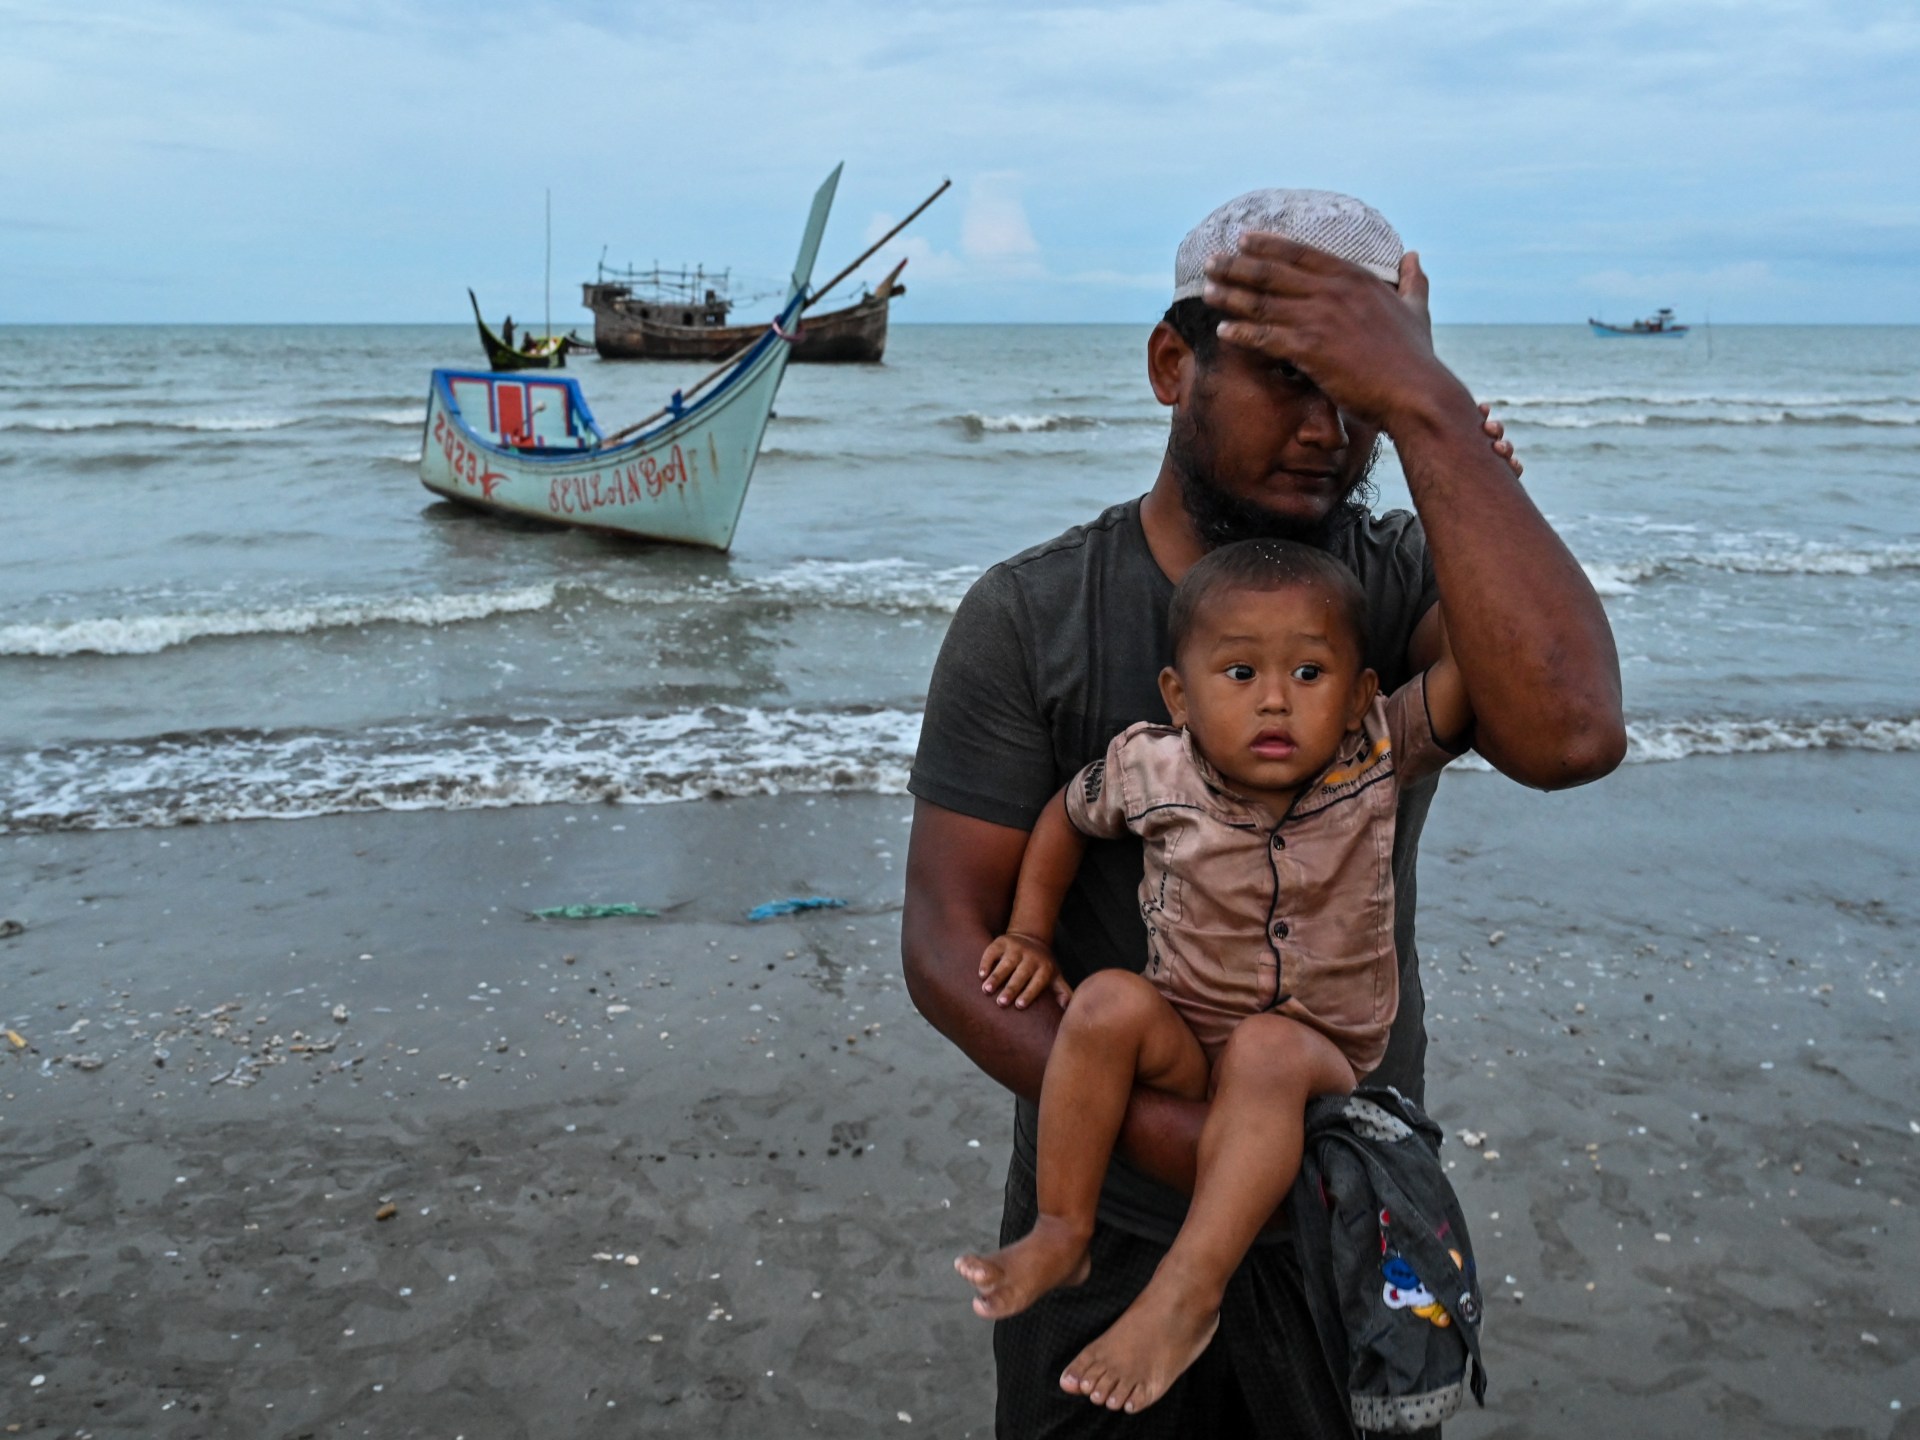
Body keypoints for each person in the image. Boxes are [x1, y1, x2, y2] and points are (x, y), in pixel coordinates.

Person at [902, 188, 1624, 1437]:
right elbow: (947, 943)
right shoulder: (1034, 614)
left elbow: (1569, 733)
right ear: (1173, 364)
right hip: (1107, 1208)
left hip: (1350, 1202)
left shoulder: (1399, 583)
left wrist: (1436, 415)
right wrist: (1176, 1136)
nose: (1329, 430)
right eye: (1290, 380)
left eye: (1362, 395)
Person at [955, 537, 1473, 1416]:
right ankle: (1063, 1229)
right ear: (1178, 695)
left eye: (1309, 675)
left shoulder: (1376, 752)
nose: (1274, 698)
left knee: (1268, 1051)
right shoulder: (1150, 765)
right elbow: (1065, 819)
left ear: (1357, 697)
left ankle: (1188, 1290)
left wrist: (1468, 482)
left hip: (1321, 1050)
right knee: (1110, 1000)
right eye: (1238, 673)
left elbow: (1480, 663)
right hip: (1189, 1035)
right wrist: (1031, 932)